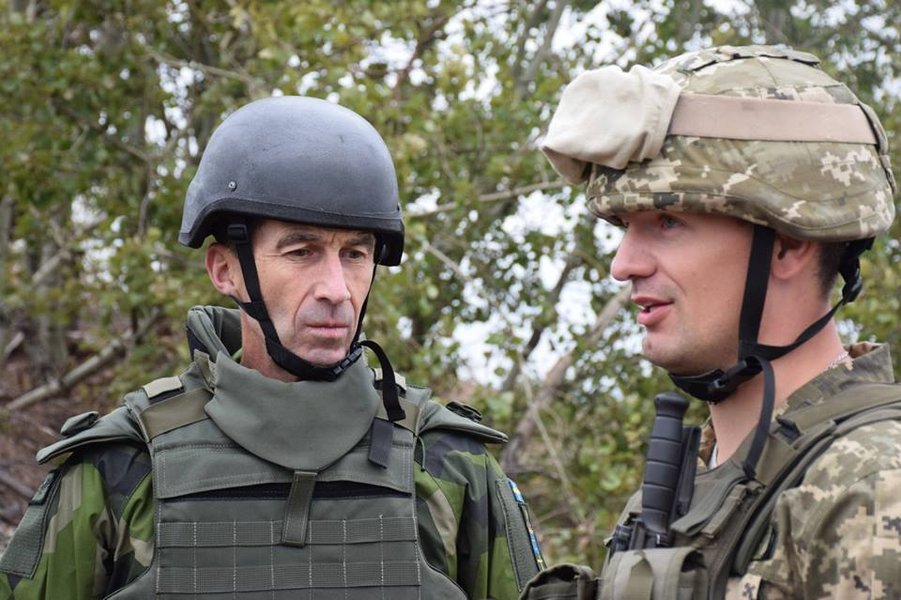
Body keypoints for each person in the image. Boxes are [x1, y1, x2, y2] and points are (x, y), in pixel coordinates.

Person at [0, 96, 543, 599]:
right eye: (302, 251)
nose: (337, 290)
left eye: (355, 255)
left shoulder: (449, 464)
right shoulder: (120, 467)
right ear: (226, 270)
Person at [523, 45, 899, 599]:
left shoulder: (872, 490)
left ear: (788, 242)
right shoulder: (687, 489)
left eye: (667, 222)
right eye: (624, 225)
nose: (623, 264)